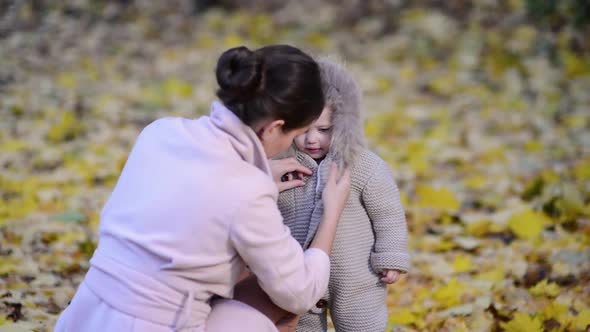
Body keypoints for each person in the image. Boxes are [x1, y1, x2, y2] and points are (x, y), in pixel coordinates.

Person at [54, 45, 351, 332]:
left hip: (87, 314)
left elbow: (187, 202)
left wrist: (257, 173)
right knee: (283, 302)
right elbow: (299, 291)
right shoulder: (248, 190)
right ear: (273, 128)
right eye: (295, 134)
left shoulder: (159, 132)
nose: (292, 144)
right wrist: (331, 212)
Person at [276, 58, 410, 332]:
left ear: (342, 123)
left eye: (324, 130)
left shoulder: (362, 165)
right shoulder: (282, 164)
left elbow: (388, 214)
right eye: (303, 130)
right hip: (301, 270)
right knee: (302, 325)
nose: (312, 139)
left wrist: (390, 256)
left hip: (355, 272)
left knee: (361, 323)